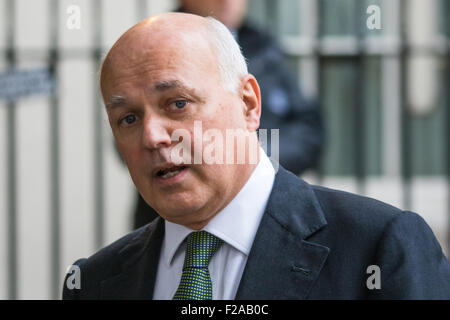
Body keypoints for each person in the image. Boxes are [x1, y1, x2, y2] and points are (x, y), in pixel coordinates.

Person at [63, 13, 450, 300]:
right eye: (127, 118)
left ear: (248, 104)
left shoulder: (378, 248)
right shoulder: (94, 283)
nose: (152, 136)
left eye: (177, 103)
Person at [132, 0, 324, 229]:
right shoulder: (152, 45)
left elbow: (309, 129)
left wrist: (253, 158)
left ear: (250, 100)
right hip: (176, 221)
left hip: (266, 213)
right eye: (179, 104)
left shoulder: (263, 45)